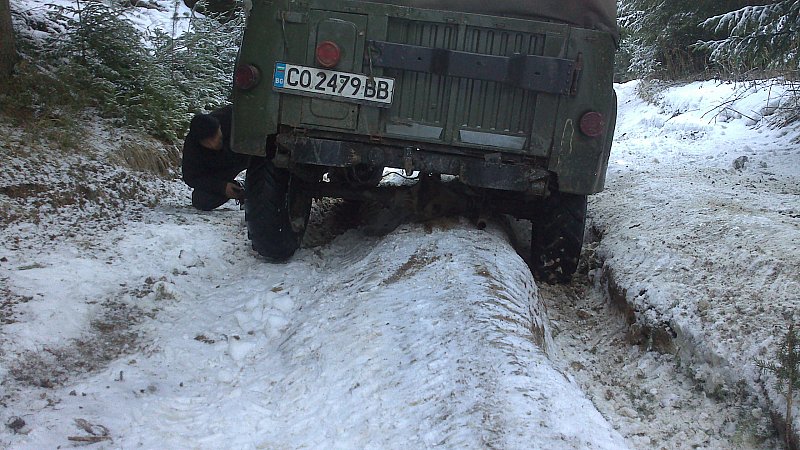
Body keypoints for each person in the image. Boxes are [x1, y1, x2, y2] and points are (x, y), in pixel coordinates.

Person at [182, 105, 250, 211]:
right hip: (221, 170)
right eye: (207, 142)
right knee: (201, 201)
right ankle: (239, 188)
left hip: (246, 155)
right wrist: (222, 187)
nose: (213, 144)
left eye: (215, 137)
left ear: (219, 127)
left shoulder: (233, 117)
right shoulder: (192, 146)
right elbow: (191, 177)